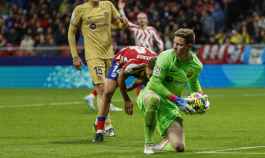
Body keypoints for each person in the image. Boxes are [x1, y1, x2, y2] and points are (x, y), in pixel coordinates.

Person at [137, 28, 205, 154]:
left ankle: (163, 143)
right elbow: (154, 83)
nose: (175, 47)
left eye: (180, 44)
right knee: (153, 99)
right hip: (151, 93)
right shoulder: (165, 57)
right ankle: (148, 144)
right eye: (174, 43)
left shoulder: (196, 66)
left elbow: (193, 82)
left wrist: (199, 98)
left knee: (179, 147)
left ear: (189, 46)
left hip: (169, 106)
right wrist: (177, 100)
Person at [68, 0, 128, 136]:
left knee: (109, 90)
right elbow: (71, 33)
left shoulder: (108, 5)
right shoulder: (80, 10)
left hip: (109, 54)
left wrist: (123, 23)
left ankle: (98, 122)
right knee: (101, 88)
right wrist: (75, 56)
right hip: (93, 55)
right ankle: (107, 125)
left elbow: (118, 24)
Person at [94, 46, 157, 142]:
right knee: (108, 92)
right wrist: (126, 99)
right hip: (121, 59)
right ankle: (99, 130)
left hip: (140, 59)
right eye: (150, 74)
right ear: (146, 67)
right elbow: (121, 77)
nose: (150, 77)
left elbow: (144, 78)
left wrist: (130, 88)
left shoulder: (159, 66)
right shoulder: (133, 66)